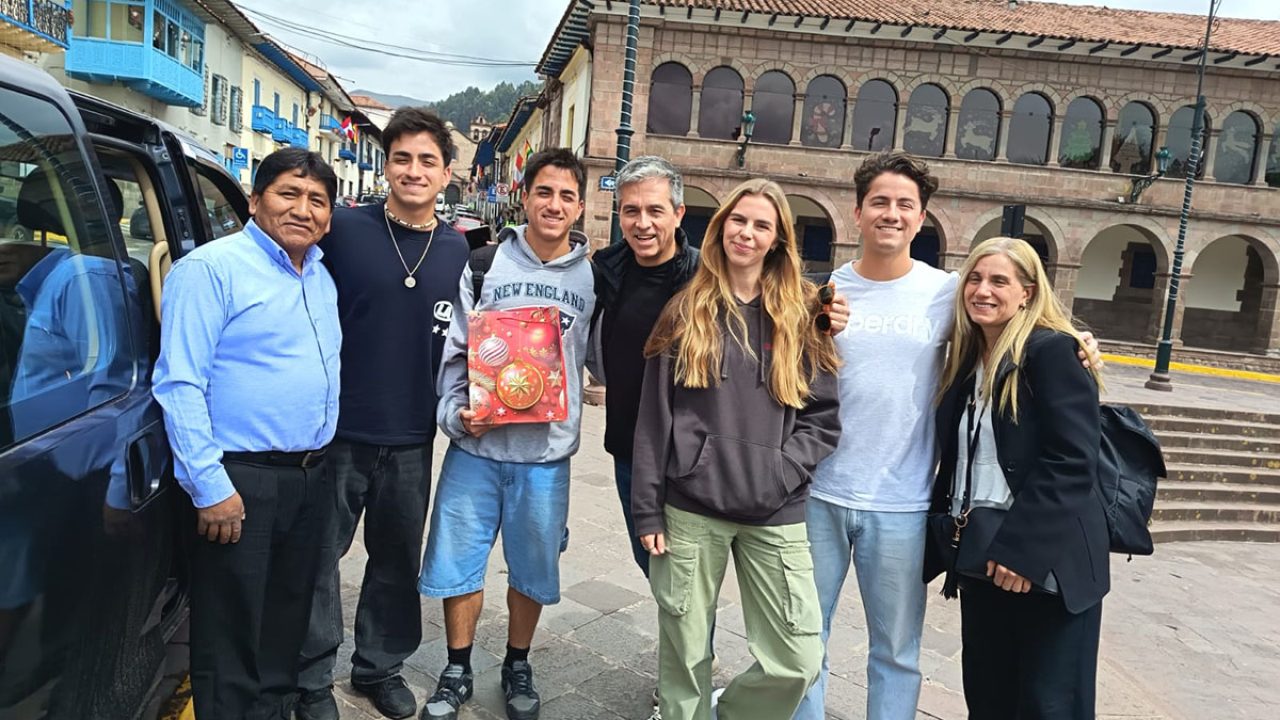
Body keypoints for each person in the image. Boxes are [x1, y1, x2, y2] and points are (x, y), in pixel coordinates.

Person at [795, 152, 1100, 720]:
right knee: (804, 641)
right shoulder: (818, 293)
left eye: (904, 205)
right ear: (857, 212)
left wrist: (1076, 339)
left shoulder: (950, 292)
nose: (892, 213)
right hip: (820, 493)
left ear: (921, 217)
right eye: (880, 202)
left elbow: (1016, 308)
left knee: (897, 652)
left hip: (905, 502)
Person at [632, 179, 842, 720]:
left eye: (761, 225)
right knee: (683, 654)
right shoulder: (686, 311)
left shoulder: (803, 315)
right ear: (721, 226)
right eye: (738, 220)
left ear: (778, 240)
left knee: (798, 658)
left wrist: (782, 469)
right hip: (690, 509)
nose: (746, 233)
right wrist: (647, 508)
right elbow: (654, 420)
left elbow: (823, 417)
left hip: (776, 509)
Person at [153, 148, 340, 720]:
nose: (303, 210)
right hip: (241, 480)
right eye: (288, 193)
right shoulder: (211, 270)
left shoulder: (319, 272)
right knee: (231, 632)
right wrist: (209, 485)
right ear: (254, 200)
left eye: (317, 200)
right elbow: (179, 382)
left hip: (310, 476)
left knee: (285, 620)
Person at [296, 108, 470, 720]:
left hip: (412, 435)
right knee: (318, 559)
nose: (414, 171)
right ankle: (310, 678)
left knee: (396, 558)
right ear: (385, 164)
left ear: (447, 173)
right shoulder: (342, 229)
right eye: (402, 158)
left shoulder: (459, 251)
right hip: (336, 431)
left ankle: (378, 666)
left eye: (427, 160)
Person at [417, 148, 596, 720]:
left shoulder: (595, 278)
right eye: (545, 192)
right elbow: (455, 353)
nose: (555, 204)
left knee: (532, 568)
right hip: (476, 447)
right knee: (457, 563)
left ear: (580, 206)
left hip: (545, 456)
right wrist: (455, 414)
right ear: (526, 196)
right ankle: (456, 667)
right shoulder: (483, 264)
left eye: (567, 195)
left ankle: (518, 661)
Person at [927, 236, 1108, 718]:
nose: (982, 290)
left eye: (999, 281)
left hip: (1043, 562)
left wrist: (1022, 555)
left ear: (1027, 292)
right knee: (988, 696)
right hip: (983, 555)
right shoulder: (970, 361)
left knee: (1047, 704)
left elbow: (1072, 461)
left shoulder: (1050, 352)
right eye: (975, 278)